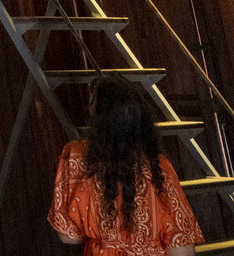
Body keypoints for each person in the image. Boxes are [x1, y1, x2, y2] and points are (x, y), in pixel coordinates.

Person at [49, 77, 202, 250]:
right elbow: (180, 242)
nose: (88, 108)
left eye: (91, 103)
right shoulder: (158, 166)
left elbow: (67, 235)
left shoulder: (77, 158)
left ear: (99, 116)